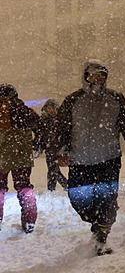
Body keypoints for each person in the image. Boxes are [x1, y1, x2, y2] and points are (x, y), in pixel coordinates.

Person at [55, 60, 125, 255]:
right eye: (94, 75)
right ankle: (95, 220)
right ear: (86, 76)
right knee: (79, 199)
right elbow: (61, 128)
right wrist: (61, 152)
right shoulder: (73, 100)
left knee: (107, 200)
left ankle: (101, 236)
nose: (98, 78)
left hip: (109, 159)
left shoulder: (116, 98)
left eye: (102, 75)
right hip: (80, 161)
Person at [0, 84, 39, 233]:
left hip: (1, 154)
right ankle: (29, 221)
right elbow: (40, 127)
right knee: (24, 187)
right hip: (21, 155)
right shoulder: (25, 111)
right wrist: (36, 144)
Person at [33, 99, 68, 191]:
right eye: (48, 108)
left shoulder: (61, 121)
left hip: (60, 149)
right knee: (53, 170)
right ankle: (63, 186)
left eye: (52, 108)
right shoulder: (43, 121)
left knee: (53, 170)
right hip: (49, 149)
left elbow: (65, 134)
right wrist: (38, 148)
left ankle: (54, 189)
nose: (51, 110)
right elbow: (40, 136)